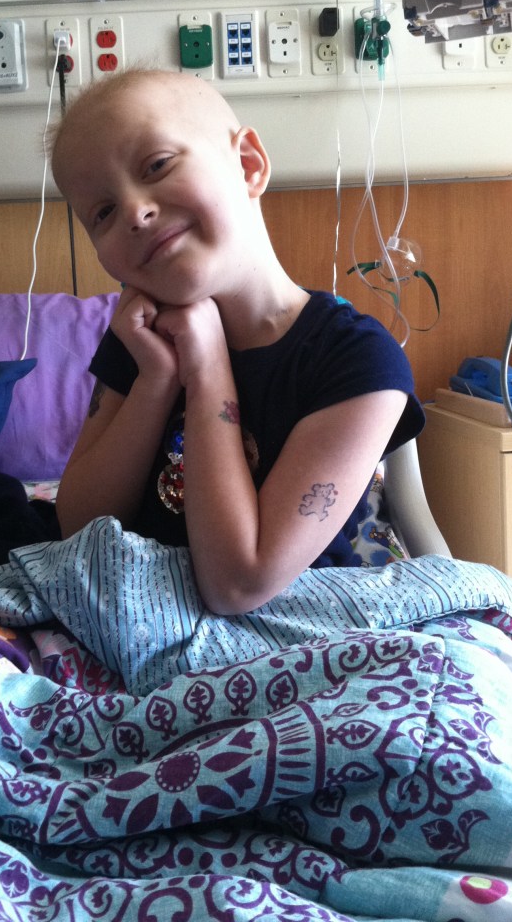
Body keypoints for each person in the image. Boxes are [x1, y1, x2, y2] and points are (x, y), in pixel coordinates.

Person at [51, 68, 424, 616]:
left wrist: (207, 368)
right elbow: (76, 529)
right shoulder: (138, 341)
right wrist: (156, 380)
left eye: (157, 165)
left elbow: (239, 584)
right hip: (130, 611)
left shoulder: (357, 360)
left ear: (248, 165)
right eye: (102, 213)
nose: (134, 211)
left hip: (292, 625)